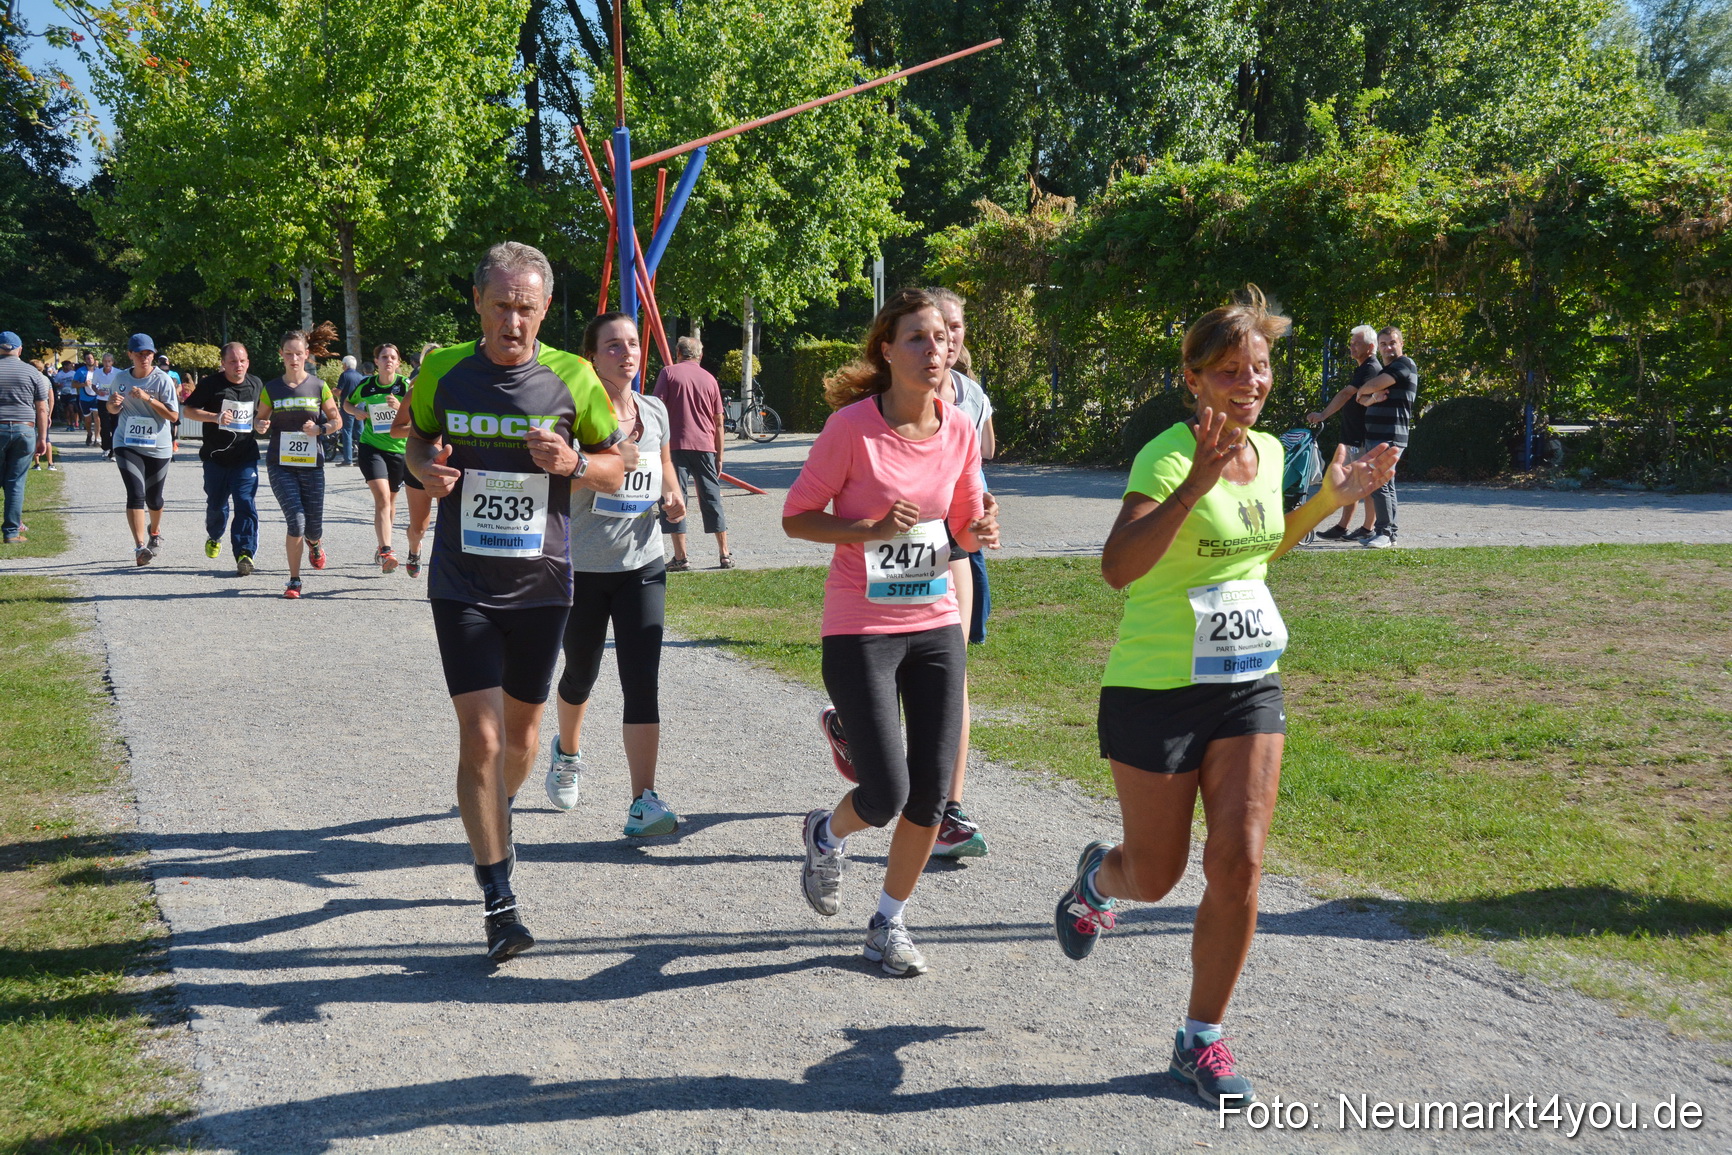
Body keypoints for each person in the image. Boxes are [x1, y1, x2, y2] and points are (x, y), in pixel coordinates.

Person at [1053, 286, 1397, 1107]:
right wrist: (1190, 483)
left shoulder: (1274, 452)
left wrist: (1329, 503)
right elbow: (1118, 567)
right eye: (1231, 371)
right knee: (1158, 871)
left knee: (1240, 862)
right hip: (1155, 686)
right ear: (1195, 379)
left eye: (1261, 368)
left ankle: (1198, 1038)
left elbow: (1255, 551)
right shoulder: (1169, 455)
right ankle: (1097, 883)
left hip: (1247, 681)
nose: (1250, 383)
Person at [406, 242, 623, 961]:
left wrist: (576, 464)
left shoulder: (574, 377)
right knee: (484, 736)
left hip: (542, 585)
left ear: (543, 310)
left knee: (524, 741)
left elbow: (618, 466)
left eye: (526, 308)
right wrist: (425, 471)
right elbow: (415, 441)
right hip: (462, 582)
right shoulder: (442, 370)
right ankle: (500, 899)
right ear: (477, 302)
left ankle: (494, 813)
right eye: (500, 305)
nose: (513, 321)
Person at [782, 288, 997, 977]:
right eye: (917, 339)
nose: (934, 352)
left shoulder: (959, 429)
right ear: (886, 348)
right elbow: (797, 516)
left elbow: (962, 527)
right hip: (860, 624)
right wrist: (868, 531)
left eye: (942, 340)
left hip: (933, 619)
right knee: (886, 794)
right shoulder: (851, 428)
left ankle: (888, 922)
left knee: (933, 794)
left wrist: (981, 529)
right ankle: (826, 831)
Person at [545, 313, 688, 835]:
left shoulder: (653, 409)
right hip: (582, 565)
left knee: (642, 681)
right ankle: (567, 753)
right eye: (612, 346)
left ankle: (643, 800)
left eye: (632, 344)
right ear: (591, 355)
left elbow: (665, 466)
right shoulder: (574, 413)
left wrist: (672, 494)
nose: (626, 353)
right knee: (580, 674)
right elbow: (556, 486)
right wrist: (601, 466)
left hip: (643, 563)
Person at [257, 325, 343, 598]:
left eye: (298, 354)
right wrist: (260, 425)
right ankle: (294, 580)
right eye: (288, 354)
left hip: (311, 464)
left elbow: (336, 420)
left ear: (307, 354)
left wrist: (320, 429)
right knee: (296, 521)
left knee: (313, 526)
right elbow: (259, 418)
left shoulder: (319, 386)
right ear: (281, 355)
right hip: (280, 463)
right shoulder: (272, 388)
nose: (293, 359)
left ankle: (315, 544)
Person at [181, 343, 263, 576]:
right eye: (233, 362)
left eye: (243, 361)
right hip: (215, 457)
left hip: (245, 455)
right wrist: (215, 417)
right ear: (223, 364)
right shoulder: (211, 385)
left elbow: (259, 414)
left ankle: (245, 552)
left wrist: (261, 423)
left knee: (245, 502)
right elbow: (188, 411)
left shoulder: (256, 383)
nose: (239, 366)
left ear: (248, 361)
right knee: (217, 505)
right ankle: (215, 534)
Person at [652, 336, 732, 570]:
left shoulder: (668, 373)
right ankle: (724, 553)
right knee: (712, 497)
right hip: (705, 446)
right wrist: (719, 454)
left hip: (674, 445)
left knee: (674, 498)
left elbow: (656, 407)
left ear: (678, 352)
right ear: (700, 355)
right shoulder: (710, 379)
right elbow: (719, 421)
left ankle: (681, 557)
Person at [107, 334, 180, 565]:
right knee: (135, 494)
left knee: (154, 498)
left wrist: (148, 398)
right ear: (130, 354)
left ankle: (155, 532)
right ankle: (140, 547)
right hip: (126, 443)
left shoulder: (162, 380)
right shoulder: (120, 378)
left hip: (158, 445)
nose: (144, 357)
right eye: (139, 353)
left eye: (148, 353)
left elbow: (174, 416)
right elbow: (111, 409)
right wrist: (113, 404)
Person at [1305, 325, 1381, 541]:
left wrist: (1323, 414)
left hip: (1362, 435)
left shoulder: (1370, 368)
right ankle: (1343, 527)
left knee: (1365, 482)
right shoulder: (1362, 368)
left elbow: (1348, 393)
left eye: (1356, 343)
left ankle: (1368, 528)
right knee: (1350, 482)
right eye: (1351, 342)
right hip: (1352, 434)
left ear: (1371, 346)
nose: (1351, 346)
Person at [344, 343, 411, 571]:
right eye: (384, 357)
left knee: (390, 501)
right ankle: (386, 551)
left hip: (399, 449)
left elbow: (421, 413)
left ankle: (385, 544)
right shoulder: (367, 385)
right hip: (371, 447)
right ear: (377, 362)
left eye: (393, 357)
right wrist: (357, 412)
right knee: (382, 498)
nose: (388, 360)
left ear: (398, 362)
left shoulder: (405, 385)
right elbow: (347, 403)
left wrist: (400, 406)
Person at [1356, 326, 1418, 549]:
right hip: (1377, 435)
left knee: (1379, 482)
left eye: (1392, 342)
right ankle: (1387, 533)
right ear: (1378, 347)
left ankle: (1385, 533)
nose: (1388, 347)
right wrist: (1370, 396)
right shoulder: (1388, 369)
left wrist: (1367, 392)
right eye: (1383, 344)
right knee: (1383, 483)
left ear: (1401, 343)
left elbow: (1370, 388)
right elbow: (1362, 401)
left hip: (1390, 434)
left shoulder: (1404, 364)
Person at [0, 332, 50, 545]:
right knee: (15, 482)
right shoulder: (33, 372)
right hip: (24, 430)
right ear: (19, 350)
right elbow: (42, 408)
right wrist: (42, 438)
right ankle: (11, 533)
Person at [336, 354, 364, 466]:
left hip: (348, 407)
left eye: (343, 364)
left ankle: (348, 459)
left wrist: (334, 391)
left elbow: (339, 391)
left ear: (346, 365)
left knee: (347, 431)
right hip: (360, 407)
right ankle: (362, 458)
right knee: (360, 432)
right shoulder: (360, 376)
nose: (342, 366)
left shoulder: (344, 375)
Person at [93, 352, 121, 459]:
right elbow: (93, 385)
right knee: (105, 426)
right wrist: (97, 391)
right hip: (102, 400)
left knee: (115, 425)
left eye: (109, 361)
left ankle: (114, 450)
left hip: (114, 401)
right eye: (105, 361)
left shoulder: (118, 373)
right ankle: (106, 447)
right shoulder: (98, 372)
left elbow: (123, 385)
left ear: (112, 362)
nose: (107, 363)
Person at [76, 351, 101, 446]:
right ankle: (89, 433)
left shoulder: (99, 371)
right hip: (84, 398)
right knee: (88, 419)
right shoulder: (80, 371)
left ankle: (97, 438)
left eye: (91, 358)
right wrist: (83, 384)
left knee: (97, 417)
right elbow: (73, 384)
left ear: (94, 359)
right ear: (85, 360)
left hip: (96, 397)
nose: (90, 360)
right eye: (88, 358)